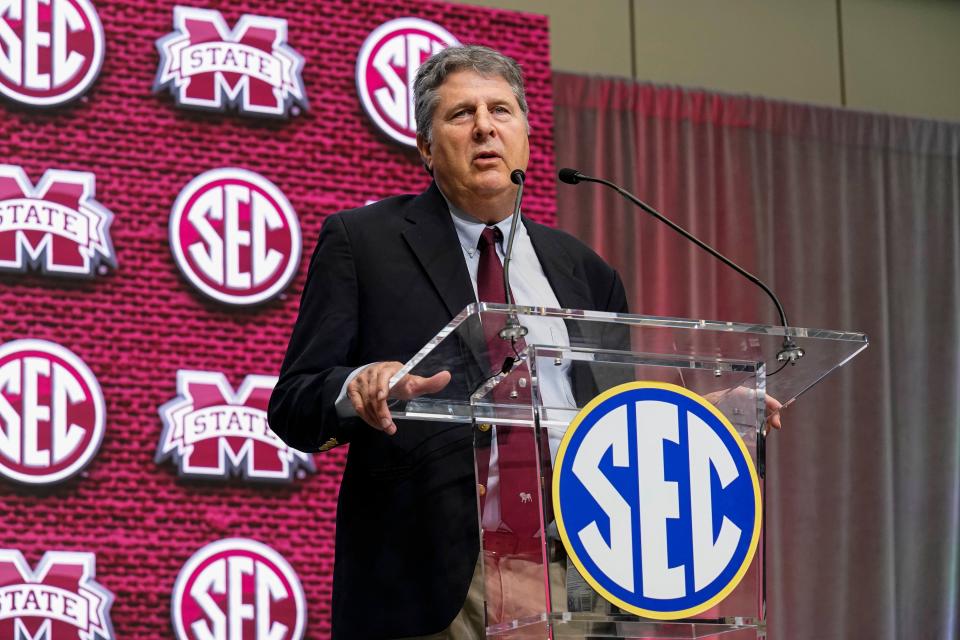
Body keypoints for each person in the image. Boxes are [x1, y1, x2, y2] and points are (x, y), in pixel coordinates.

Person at [268, 45, 631, 639]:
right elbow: (293, 402)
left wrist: (706, 419)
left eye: (501, 111)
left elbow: (621, 415)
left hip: (578, 566)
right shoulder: (363, 244)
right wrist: (354, 388)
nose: (485, 126)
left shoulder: (586, 271)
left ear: (527, 140)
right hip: (433, 577)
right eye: (461, 114)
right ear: (426, 148)